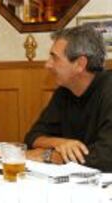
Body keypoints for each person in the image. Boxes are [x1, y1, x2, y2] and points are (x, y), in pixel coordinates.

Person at [24, 25, 112, 172]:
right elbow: (32, 138)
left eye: (54, 58)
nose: (47, 65)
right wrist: (60, 143)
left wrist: (48, 155)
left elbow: (105, 158)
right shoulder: (64, 91)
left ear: (80, 64)